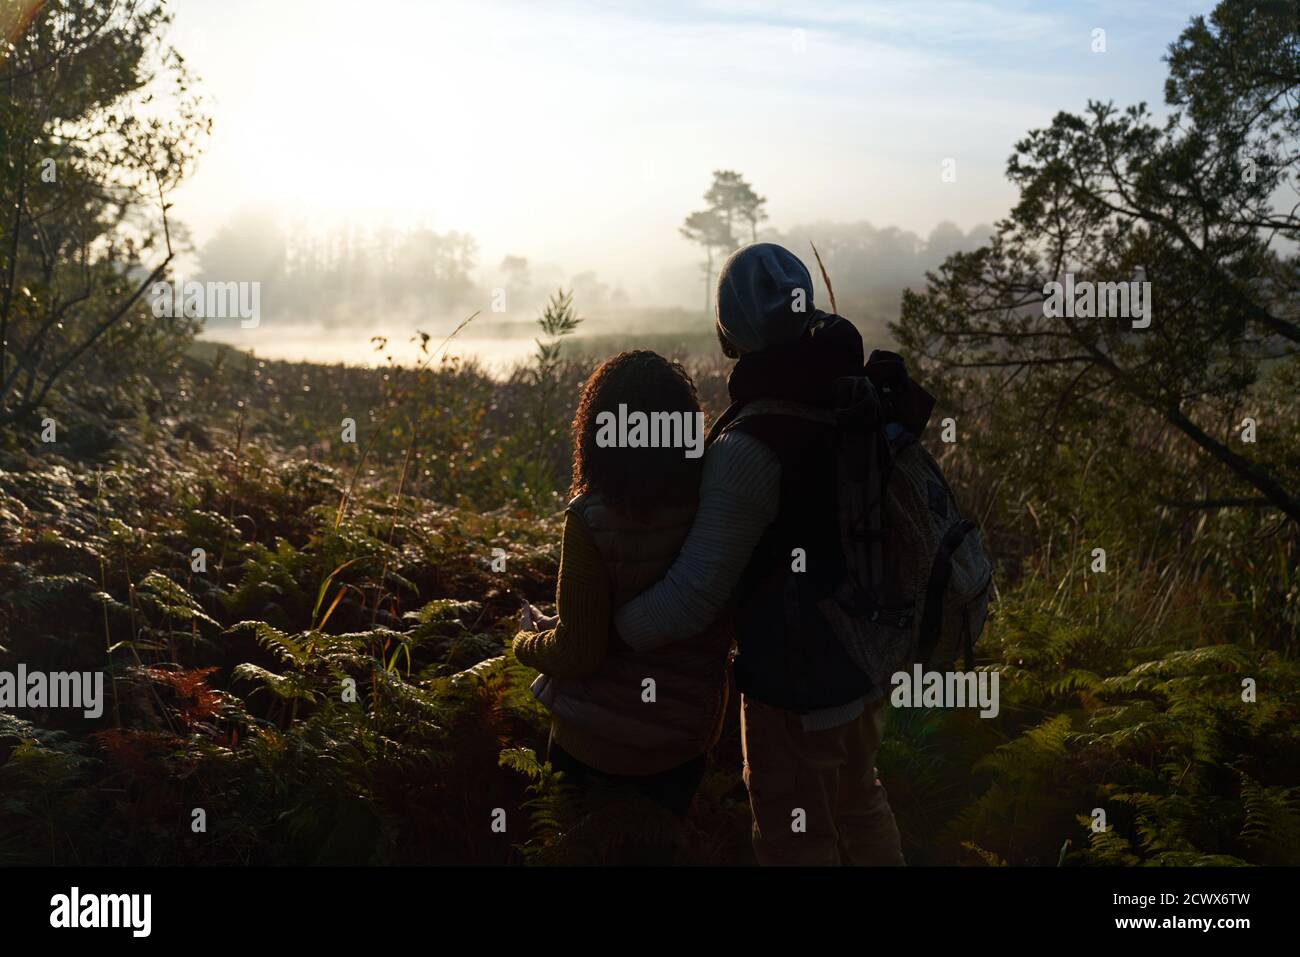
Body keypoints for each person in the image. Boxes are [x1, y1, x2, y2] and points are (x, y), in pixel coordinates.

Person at [613, 243, 907, 866]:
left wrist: (611, 633)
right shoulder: (848, 395)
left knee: (794, 839)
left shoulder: (750, 444)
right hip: (863, 660)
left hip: (797, 689)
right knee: (861, 804)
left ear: (729, 335)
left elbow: (696, 594)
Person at [511, 350, 732, 857]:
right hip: (681, 746)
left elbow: (580, 651)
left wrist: (526, 640)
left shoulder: (589, 519)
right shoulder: (716, 514)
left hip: (592, 746)